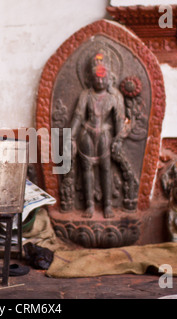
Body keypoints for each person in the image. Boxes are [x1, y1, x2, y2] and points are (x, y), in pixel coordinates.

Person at [69, 51, 125, 219]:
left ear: (109, 78)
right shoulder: (86, 95)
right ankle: (89, 204)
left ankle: (107, 204)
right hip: (87, 134)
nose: (99, 81)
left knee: (106, 169)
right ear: (89, 79)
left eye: (103, 78)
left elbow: (119, 120)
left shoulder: (114, 96)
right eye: (96, 78)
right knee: (86, 169)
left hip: (105, 136)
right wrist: (71, 136)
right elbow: (78, 116)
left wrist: (119, 139)